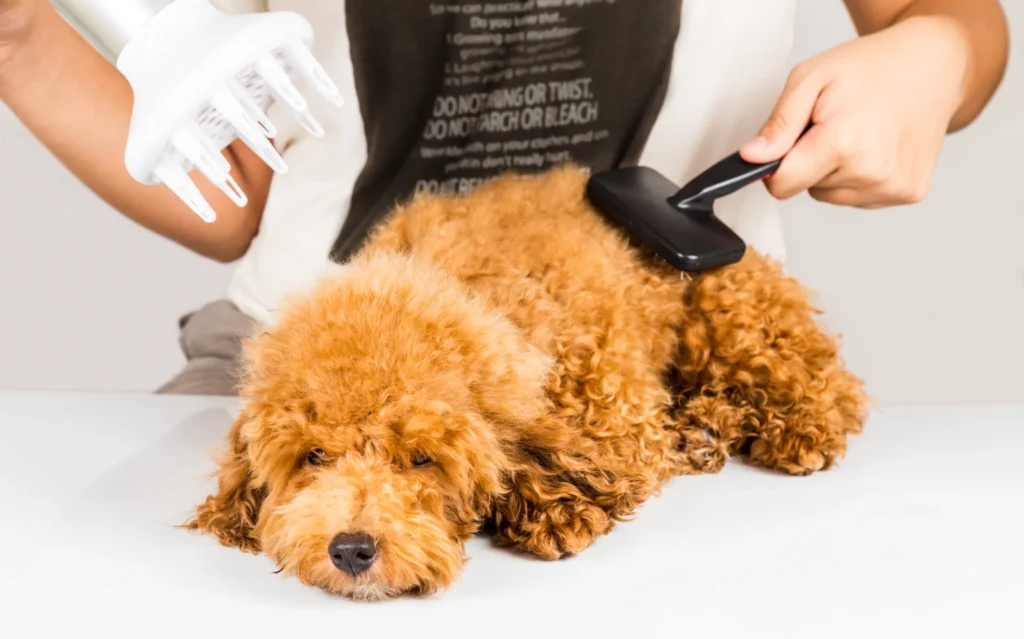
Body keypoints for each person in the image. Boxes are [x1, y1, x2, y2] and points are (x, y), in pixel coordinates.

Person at [0, 0, 1009, 395]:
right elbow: (236, 193)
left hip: (675, 367)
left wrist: (932, 56)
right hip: (325, 359)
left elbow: (952, 22)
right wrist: (23, 39)